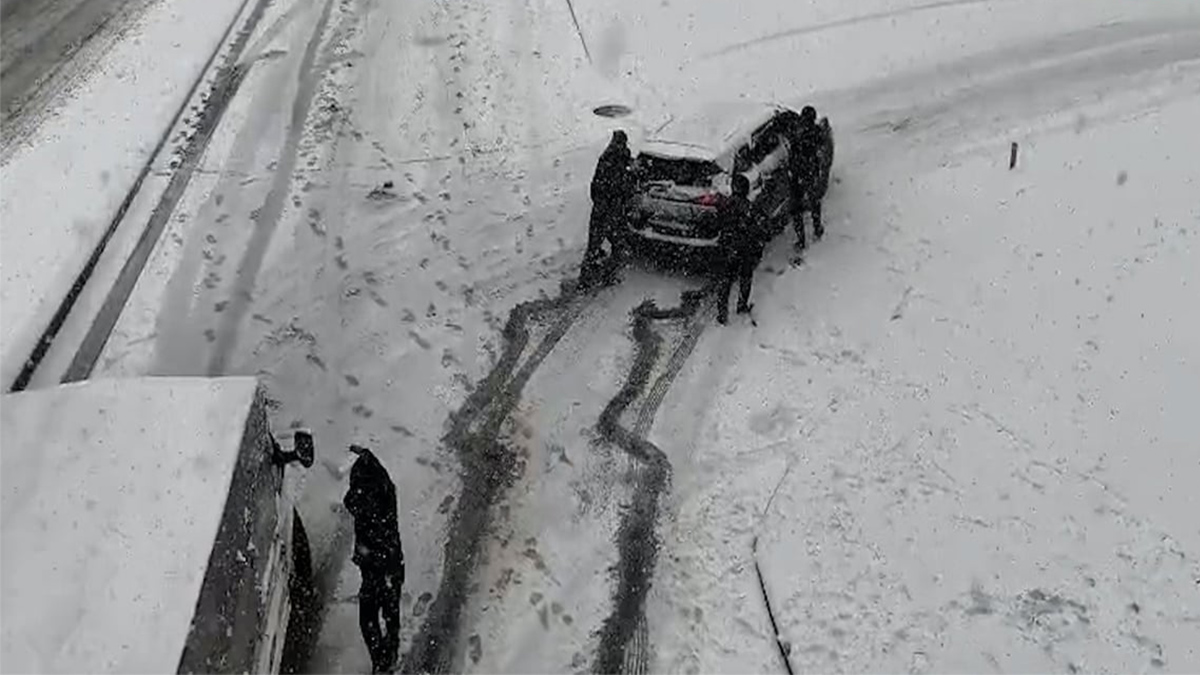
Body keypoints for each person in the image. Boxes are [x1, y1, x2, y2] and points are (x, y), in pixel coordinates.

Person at [344, 444, 405, 674]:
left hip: (381, 568)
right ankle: (386, 659)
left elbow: (353, 503)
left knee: (372, 618)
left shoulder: (373, 500)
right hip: (386, 567)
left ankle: (384, 663)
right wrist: (365, 454)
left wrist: (367, 557)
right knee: (386, 617)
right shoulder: (382, 487)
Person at [583, 130, 635, 287]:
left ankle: (585, 281)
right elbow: (624, 189)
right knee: (618, 246)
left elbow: (594, 188)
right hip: (612, 213)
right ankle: (608, 276)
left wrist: (599, 204)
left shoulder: (605, 160)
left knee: (593, 245)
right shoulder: (618, 167)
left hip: (599, 211)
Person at [715, 174, 767, 325]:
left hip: (729, 248)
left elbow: (718, 223)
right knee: (745, 277)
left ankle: (722, 313)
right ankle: (742, 305)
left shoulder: (726, 205)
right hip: (745, 249)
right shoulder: (750, 208)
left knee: (726, 280)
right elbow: (760, 229)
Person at [786, 105, 825, 251]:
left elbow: (790, 144)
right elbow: (821, 145)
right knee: (814, 201)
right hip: (810, 172)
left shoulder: (796, 130)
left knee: (796, 209)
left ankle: (801, 240)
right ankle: (817, 228)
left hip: (796, 173)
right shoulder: (816, 132)